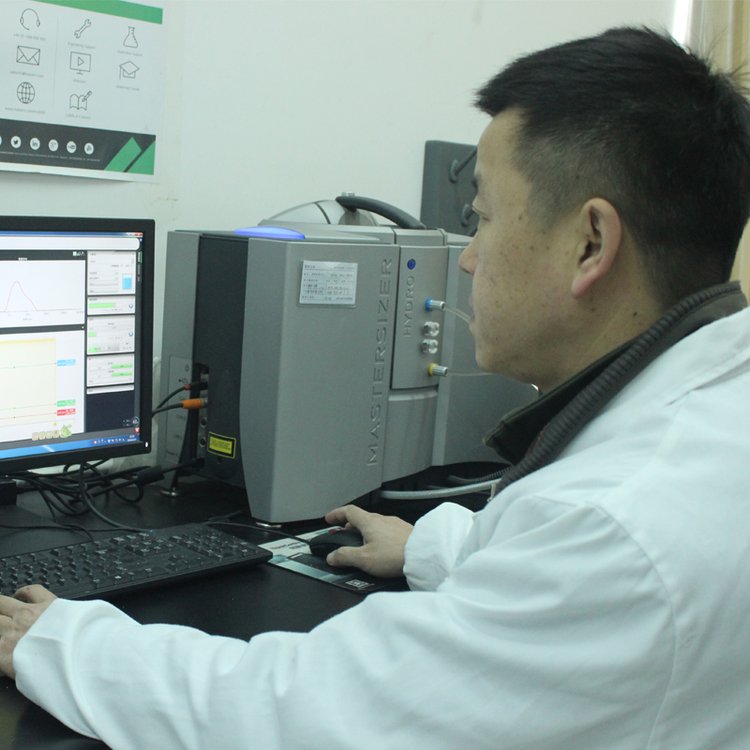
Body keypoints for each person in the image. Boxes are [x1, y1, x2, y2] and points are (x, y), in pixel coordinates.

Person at [2, 25, 750, 749]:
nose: (467, 259)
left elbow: (309, 716)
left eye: (483, 219)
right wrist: (437, 548)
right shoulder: (712, 418)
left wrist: (67, 645)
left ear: (591, 243)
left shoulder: (611, 525)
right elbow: (555, 579)